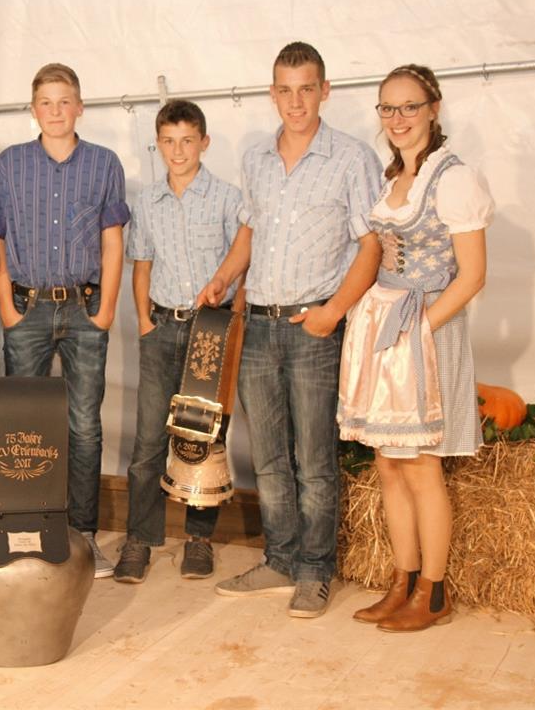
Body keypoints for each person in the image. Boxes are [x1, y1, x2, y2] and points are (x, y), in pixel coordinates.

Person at [198, 42, 382, 617]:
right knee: (270, 457)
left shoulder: (351, 158)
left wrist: (333, 312)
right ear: (272, 93)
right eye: (285, 89)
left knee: (315, 457)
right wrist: (224, 277)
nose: (296, 100)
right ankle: (279, 559)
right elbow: (250, 232)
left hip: (312, 326)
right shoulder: (255, 158)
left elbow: (372, 246)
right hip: (257, 325)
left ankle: (316, 569)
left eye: (307, 88)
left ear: (324, 91)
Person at [338, 64, 492, 632]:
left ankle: (433, 591)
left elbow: (472, 275)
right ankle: (401, 581)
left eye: (408, 107)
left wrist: (419, 328)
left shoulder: (454, 179)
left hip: (427, 330)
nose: (397, 119)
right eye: (387, 108)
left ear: (433, 108)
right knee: (388, 461)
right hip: (386, 325)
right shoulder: (391, 179)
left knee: (423, 464)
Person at [0, 63, 130, 578]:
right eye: (45, 102)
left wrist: (106, 309)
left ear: (80, 107)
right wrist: (5, 304)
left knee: (84, 425)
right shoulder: (10, 165)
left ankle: (83, 536)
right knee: (24, 426)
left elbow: (113, 240)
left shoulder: (104, 164)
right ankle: (27, 530)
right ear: (33, 109)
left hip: (84, 307)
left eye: (64, 101)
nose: (55, 111)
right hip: (25, 307)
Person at [114, 100, 241, 583]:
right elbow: (141, 263)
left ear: (204, 142)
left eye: (187, 140)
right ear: (158, 144)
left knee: (203, 437)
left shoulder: (228, 198)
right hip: (162, 327)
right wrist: (145, 321)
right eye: (168, 141)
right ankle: (140, 539)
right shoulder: (147, 202)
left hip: (209, 331)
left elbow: (240, 263)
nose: (178, 150)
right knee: (148, 439)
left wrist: (233, 324)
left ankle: (199, 538)